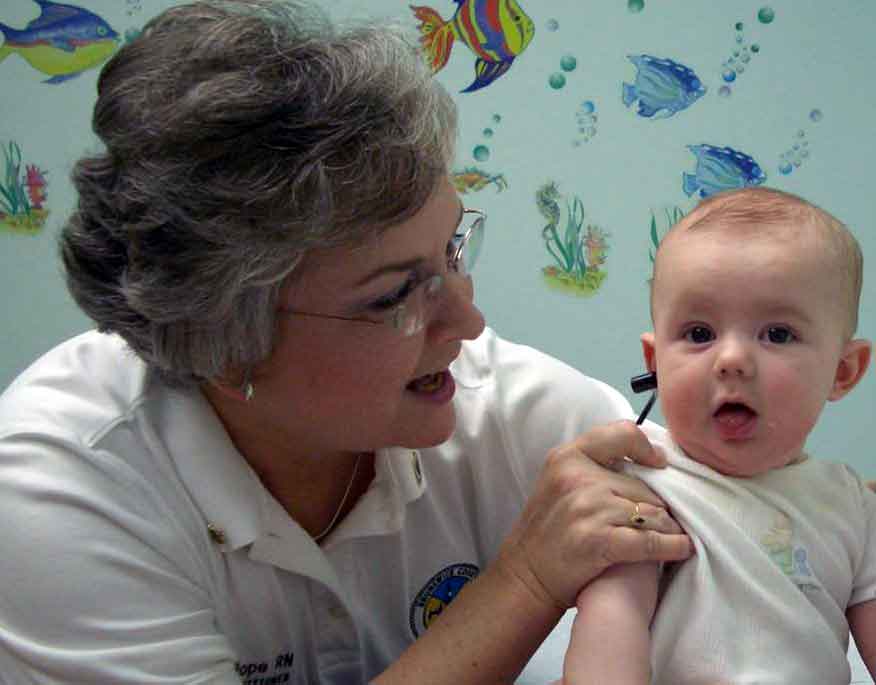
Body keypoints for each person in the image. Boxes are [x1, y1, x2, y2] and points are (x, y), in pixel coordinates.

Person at [0, 2, 694, 683]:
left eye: (454, 249)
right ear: (221, 342)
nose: (468, 322)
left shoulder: (502, 407)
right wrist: (525, 580)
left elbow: (741, 533)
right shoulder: (60, 489)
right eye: (395, 294)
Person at [563, 186, 876, 684]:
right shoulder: (646, 483)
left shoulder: (852, 506)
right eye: (700, 334)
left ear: (843, 372)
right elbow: (611, 624)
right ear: (655, 363)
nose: (731, 359)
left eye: (777, 334)